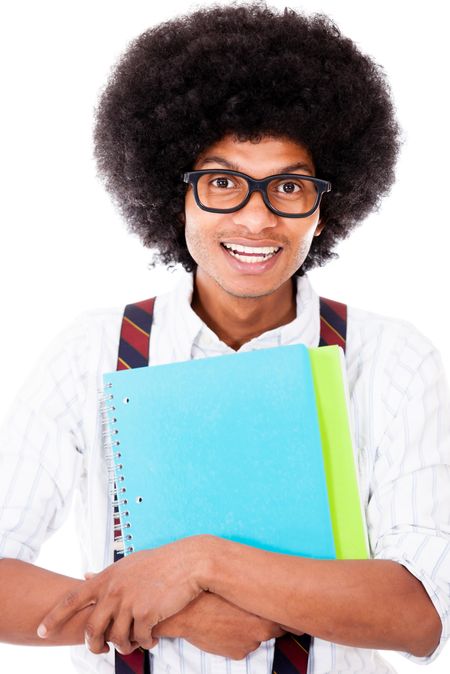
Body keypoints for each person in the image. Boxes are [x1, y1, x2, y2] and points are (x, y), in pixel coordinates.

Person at [0, 3, 449, 674]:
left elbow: (417, 615)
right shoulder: (89, 353)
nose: (256, 219)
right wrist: (175, 611)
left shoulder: (394, 361)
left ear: (325, 211)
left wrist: (200, 561)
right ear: (171, 195)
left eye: (289, 187)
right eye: (222, 183)